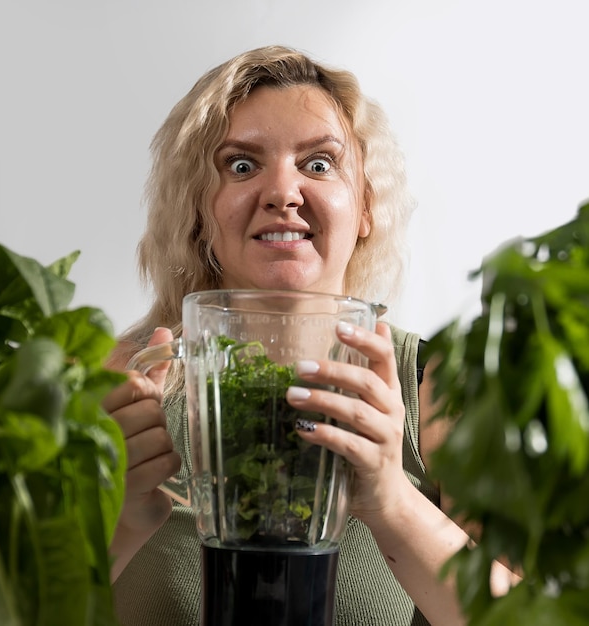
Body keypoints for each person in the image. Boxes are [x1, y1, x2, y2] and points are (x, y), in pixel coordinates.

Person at [102, 45, 517, 626]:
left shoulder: (438, 388)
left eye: (319, 164)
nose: (283, 193)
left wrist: (391, 501)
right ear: (197, 213)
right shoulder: (117, 382)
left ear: (366, 206)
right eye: (241, 166)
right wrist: (113, 527)